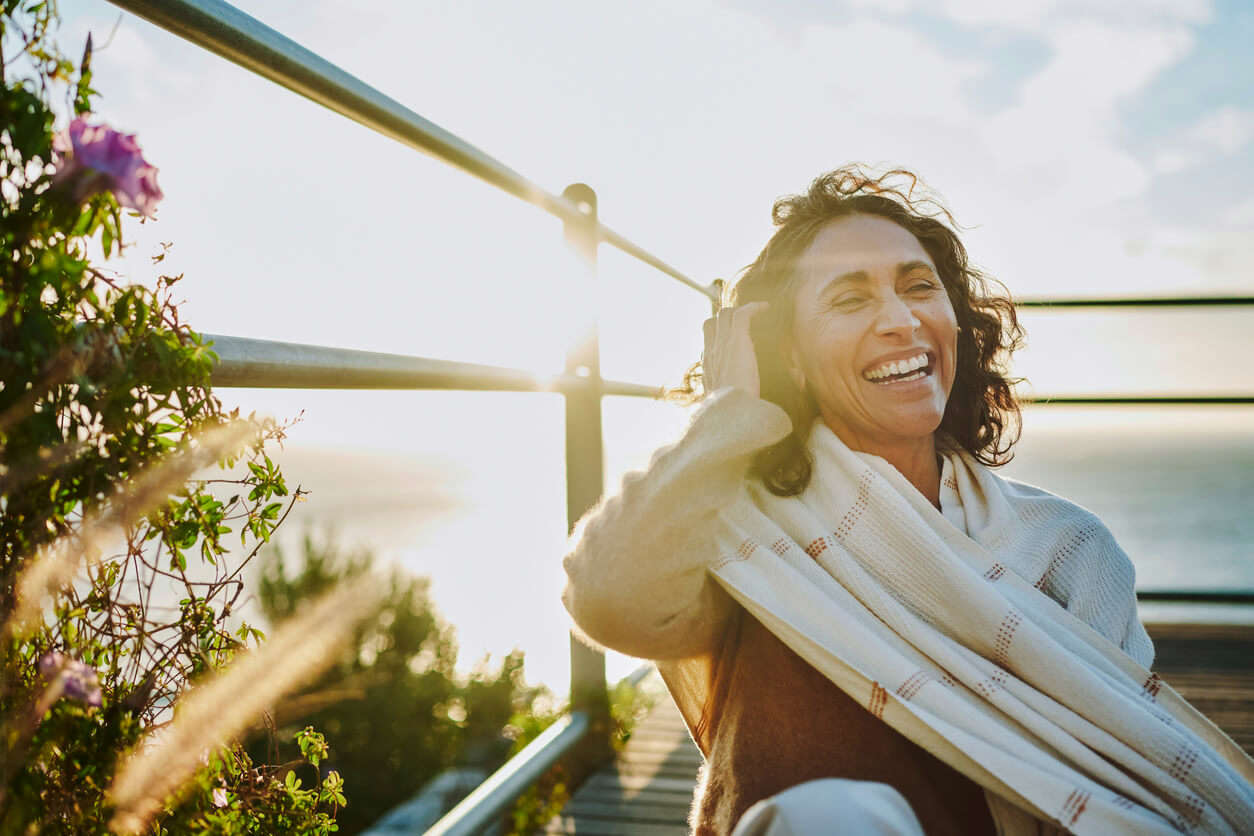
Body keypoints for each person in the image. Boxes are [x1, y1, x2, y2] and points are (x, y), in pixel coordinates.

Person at [562, 167, 1254, 835]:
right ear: (790, 357)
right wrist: (727, 413)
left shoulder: (1070, 547)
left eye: (919, 286)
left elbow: (1122, 779)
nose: (901, 320)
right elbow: (608, 598)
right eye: (850, 298)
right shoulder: (739, 530)